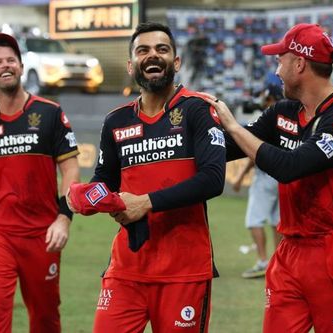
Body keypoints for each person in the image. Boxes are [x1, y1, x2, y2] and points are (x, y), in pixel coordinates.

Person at [205, 23, 333, 333]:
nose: (277, 70)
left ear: (299, 63)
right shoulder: (283, 112)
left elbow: (290, 166)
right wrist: (180, 132)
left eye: (280, 60)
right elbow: (229, 148)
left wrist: (233, 125)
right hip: (290, 253)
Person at [69, 22, 226, 332]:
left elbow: (212, 179)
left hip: (184, 270)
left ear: (176, 62)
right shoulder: (116, 120)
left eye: (162, 49)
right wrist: (89, 196)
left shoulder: (197, 110)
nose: (152, 56)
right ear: (131, 65)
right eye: (143, 50)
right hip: (128, 267)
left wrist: (146, 202)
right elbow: (105, 179)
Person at [0, 33, 80, 333]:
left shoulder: (50, 113)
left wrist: (64, 218)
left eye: (11, 60)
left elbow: (70, 169)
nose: (5, 66)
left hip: (42, 235)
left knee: (45, 319)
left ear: (21, 65)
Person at [232, 85, 283, 279]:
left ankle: (263, 261)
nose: (263, 102)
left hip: (265, 176)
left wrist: (240, 176)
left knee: (254, 220)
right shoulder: (288, 118)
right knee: (277, 221)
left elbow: (256, 153)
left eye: (266, 99)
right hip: (283, 175)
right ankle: (280, 262)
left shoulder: (269, 120)